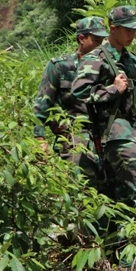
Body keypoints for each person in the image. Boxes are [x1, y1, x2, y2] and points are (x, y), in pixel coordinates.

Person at [72, 6, 136, 223]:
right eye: (127, 30)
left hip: (134, 133)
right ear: (113, 29)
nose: (132, 35)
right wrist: (113, 90)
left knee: (122, 200)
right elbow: (78, 93)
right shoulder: (96, 58)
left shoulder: (131, 61)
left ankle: (128, 254)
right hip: (114, 134)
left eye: (134, 30)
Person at [33, 16, 108, 184]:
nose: (100, 46)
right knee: (79, 189)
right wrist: (39, 138)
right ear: (82, 39)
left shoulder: (107, 67)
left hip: (105, 138)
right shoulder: (60, 67)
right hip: (74, 139)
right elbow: (42, 104)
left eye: (103, 41)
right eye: (96, 40)